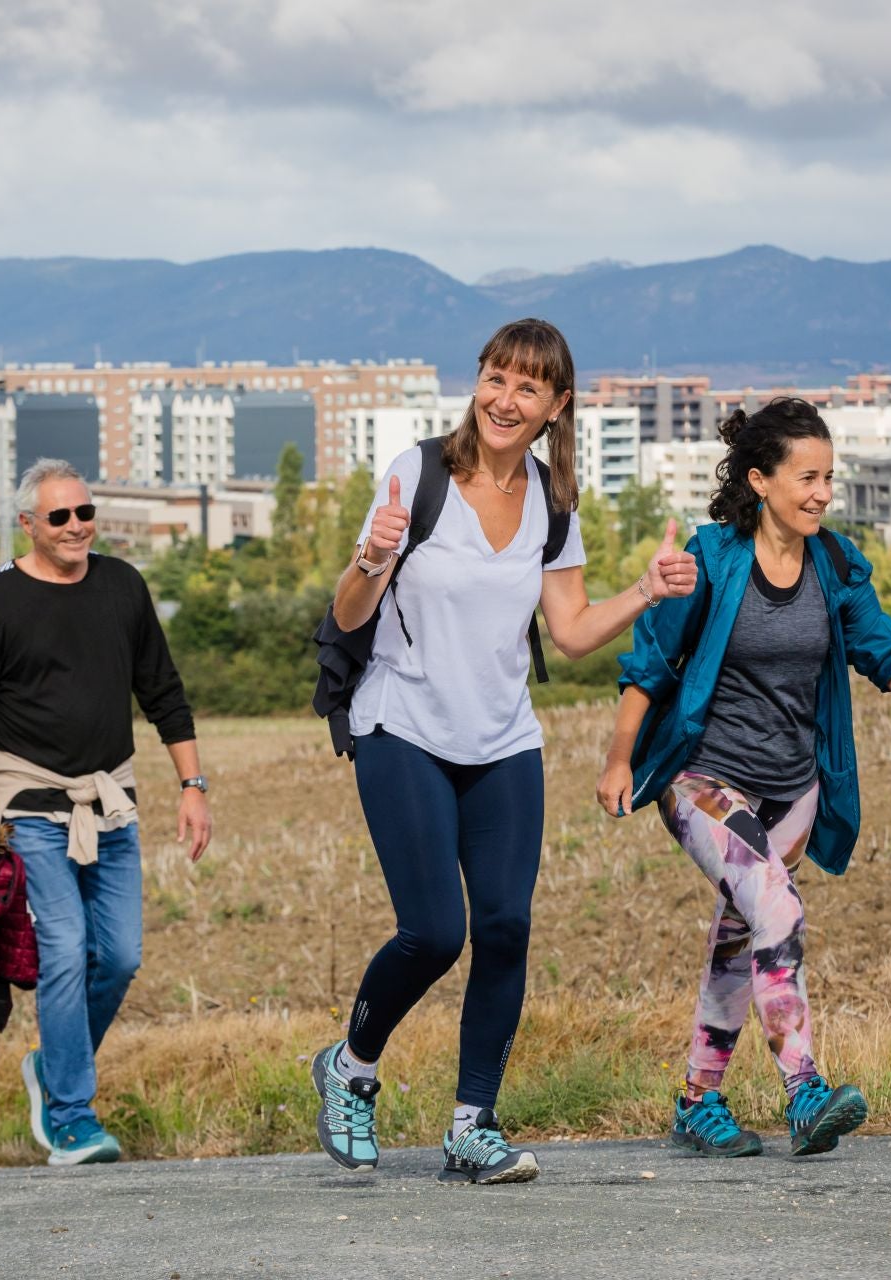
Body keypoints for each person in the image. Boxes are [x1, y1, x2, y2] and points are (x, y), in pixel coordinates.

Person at [310, 318, 698, 1185]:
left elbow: (568, 633)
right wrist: (370, 559)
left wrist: (644, 589)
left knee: (505, 927)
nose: (505, 399)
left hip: (503, 740)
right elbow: (347, 616)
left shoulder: (554, 505)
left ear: (557, 406)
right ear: (477, 381)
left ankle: (471, 1126)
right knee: (436, 931)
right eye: (496, 378)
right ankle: (351, 1067)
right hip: (401, 725)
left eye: (528, 387)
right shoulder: (418, 474)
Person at [596, 397, 891, 1159]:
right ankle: (805, 1090)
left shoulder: (832, 563)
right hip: (704, 779)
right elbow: (650, 664)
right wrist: (617, 760)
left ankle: (698, 1101)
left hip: (792, 786)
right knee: (777, 912)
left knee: (745, 935)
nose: (822, 492)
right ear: (761, 481)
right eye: (807, 477)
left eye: (829, 477)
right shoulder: (712, 559)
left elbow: (881, 644)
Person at [0, 458, 213, 1166]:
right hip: (23, 802)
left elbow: (164, 691)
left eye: (85, 513)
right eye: (59, 516)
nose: (76, 527)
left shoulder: (123, 585)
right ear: (27, 524)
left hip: (109, 797)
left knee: (120, 956)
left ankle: (52, 1069)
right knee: (63, 948)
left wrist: (194, 787)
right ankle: (70, 1115)